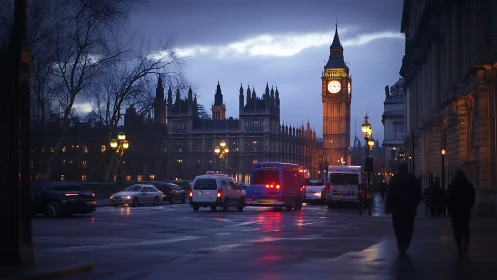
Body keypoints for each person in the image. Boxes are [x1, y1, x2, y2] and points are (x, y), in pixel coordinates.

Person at [385, 163, 422, 255]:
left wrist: (388, 206)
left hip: (397, 209)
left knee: (398, 227)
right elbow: (418, 193)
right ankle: (405, 244)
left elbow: (389, 193)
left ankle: (400, 242)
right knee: (409, 228)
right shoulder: (412, 179)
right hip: (409, 209)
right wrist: (415, 204)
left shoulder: (395, 179)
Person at [447, 169, 476, 256]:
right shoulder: (468, 185)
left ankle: (459, 245)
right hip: (465, 211)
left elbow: (449, 199)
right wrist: (470, 206)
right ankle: (465, 244)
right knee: (465, 229)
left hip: (455, 212)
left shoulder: (452, 186)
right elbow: (472, 197)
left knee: (457, 230)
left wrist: (450, 209)